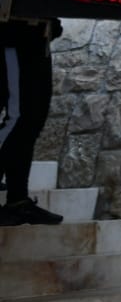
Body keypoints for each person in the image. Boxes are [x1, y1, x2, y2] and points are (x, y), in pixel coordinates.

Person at [0, 19, 65, 228]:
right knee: (19, 119)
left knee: (30, 122)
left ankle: (17, 200)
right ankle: (17, 199)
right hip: (13, 33)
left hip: (36, 33)